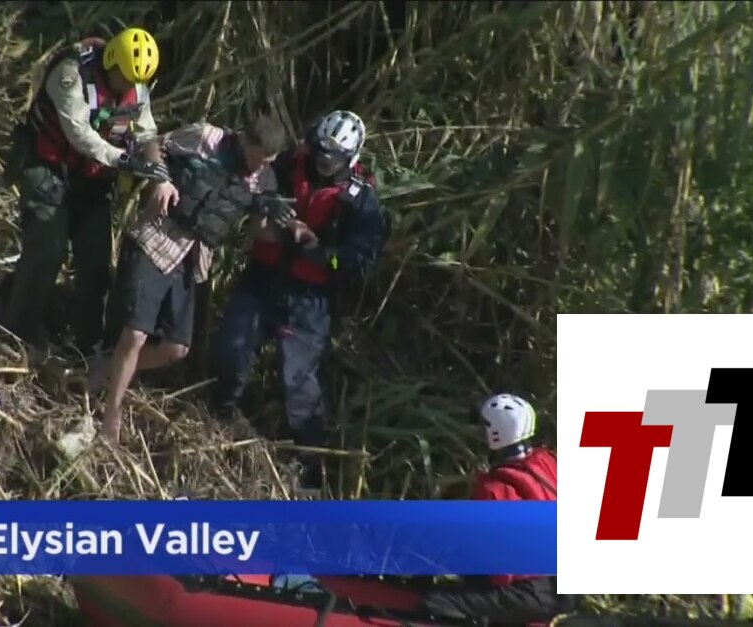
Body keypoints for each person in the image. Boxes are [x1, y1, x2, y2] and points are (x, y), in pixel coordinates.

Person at [57, 114, 296, 452]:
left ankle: (104, 369)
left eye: (267, 162)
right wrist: (161, 179)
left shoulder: (265, 178)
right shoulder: (206, 138)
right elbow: (153, 144)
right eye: (258, 158)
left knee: (176, 349)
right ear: (245, 139)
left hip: (192, 259)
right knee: (136, 333)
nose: (260, 167)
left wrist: (290, 228)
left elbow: (258, 230)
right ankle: (112, 414)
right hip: (158, 237)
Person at [208, 110, 387, 491]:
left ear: (350, 157)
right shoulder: (291, 162)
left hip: (309, 298)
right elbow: (256, 186)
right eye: (319, 150)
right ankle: (219, 417)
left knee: (299, 382)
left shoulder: (361, 201)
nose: (322, 160)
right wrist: (272, 212)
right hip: (263, 276)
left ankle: (310, 470)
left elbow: (360, 261)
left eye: (332, 157)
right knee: (231, 348)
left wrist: (323, 255)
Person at [1, 28, 176, 364]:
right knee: (46, 251)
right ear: (111, 61)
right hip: (50, 169)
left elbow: (147, 133)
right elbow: (78, 132)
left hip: (93, 183)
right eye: (124, 77)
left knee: (96, 263)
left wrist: (158, 171)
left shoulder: (136, 87)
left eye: (135, 81)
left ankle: (86, 343)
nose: (128, 85)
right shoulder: (71, 74)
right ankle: (16, 331)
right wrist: (122, 159)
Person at [421, 393, 576, 625]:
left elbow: (500, 573)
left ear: (495, 435)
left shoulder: (493, 490)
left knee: (439, 601)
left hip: (538, 595)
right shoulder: (546, 461)